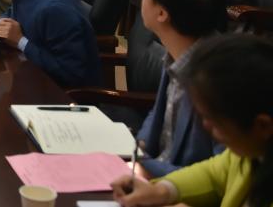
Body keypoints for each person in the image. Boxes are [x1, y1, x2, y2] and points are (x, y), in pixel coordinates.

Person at [111, 33, 273, 207]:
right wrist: (162, 191)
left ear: (262, 126)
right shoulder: (249, 150)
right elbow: (213, 174)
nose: (206, 126)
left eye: (215, 122)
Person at [133, 0, 227, 177]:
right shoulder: (178, 53)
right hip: (154, 174)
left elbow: (220, 173)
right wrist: (139, 149)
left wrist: (146, 168)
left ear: (162, 14)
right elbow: (158, 115)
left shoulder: (221, 78)